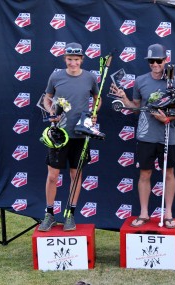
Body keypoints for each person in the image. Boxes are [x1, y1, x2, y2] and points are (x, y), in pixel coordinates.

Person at [110, 43, 175, 229]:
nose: (154, 64)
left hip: (168, 135)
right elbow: (136, 109)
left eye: (158, 61)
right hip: (145, 135)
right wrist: (123, 97)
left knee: (169, 174)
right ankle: (144, 213)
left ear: (165, 60)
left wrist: (167, 118)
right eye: (151, 61)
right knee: (145, 174)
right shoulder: (140, 81)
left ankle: (167, 214)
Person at [38, 42, 102, 232]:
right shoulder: (56, 76)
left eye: (76, 59)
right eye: (69, 59)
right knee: (53, 175)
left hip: (81, 134)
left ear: (81, 60)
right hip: (59, 134)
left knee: (76, 175)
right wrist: (51, 113)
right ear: (65, 59)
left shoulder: (90, 77)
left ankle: (70, 215)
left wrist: (94, 111)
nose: (73, 63)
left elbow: (98, 99)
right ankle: (49, 214)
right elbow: (46, 98)